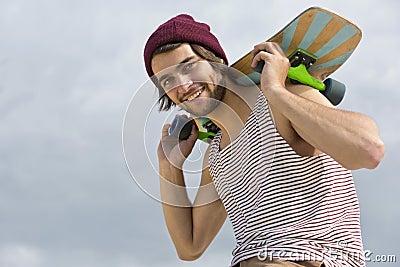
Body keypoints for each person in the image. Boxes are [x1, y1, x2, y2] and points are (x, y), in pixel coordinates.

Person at [143, 14, 385, 267]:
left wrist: (276, 90)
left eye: (189, 66)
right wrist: (169, 165)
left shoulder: (281, 100)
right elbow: (190, 247)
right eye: (168, 80)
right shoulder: (215, 154)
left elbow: (369, 149)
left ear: (216, 62)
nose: (183, 84)